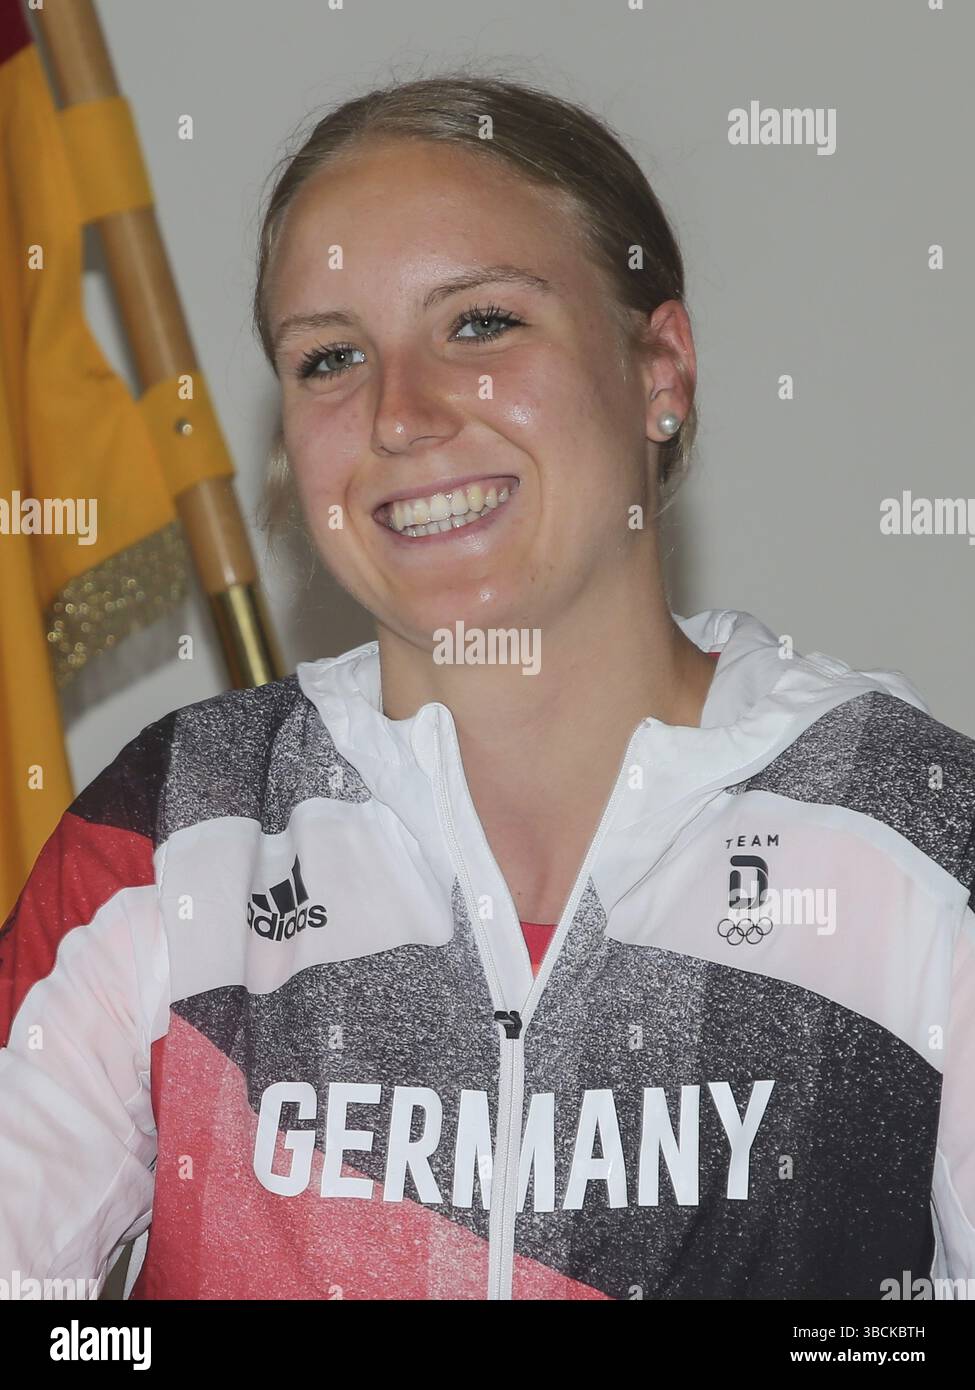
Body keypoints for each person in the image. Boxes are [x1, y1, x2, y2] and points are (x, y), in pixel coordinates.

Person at [1, 73, 973, 1303]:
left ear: (659, 368)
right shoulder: (168, 835)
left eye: (480, 324)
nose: (400, 415)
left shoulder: (922, 830)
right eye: (331, 356)